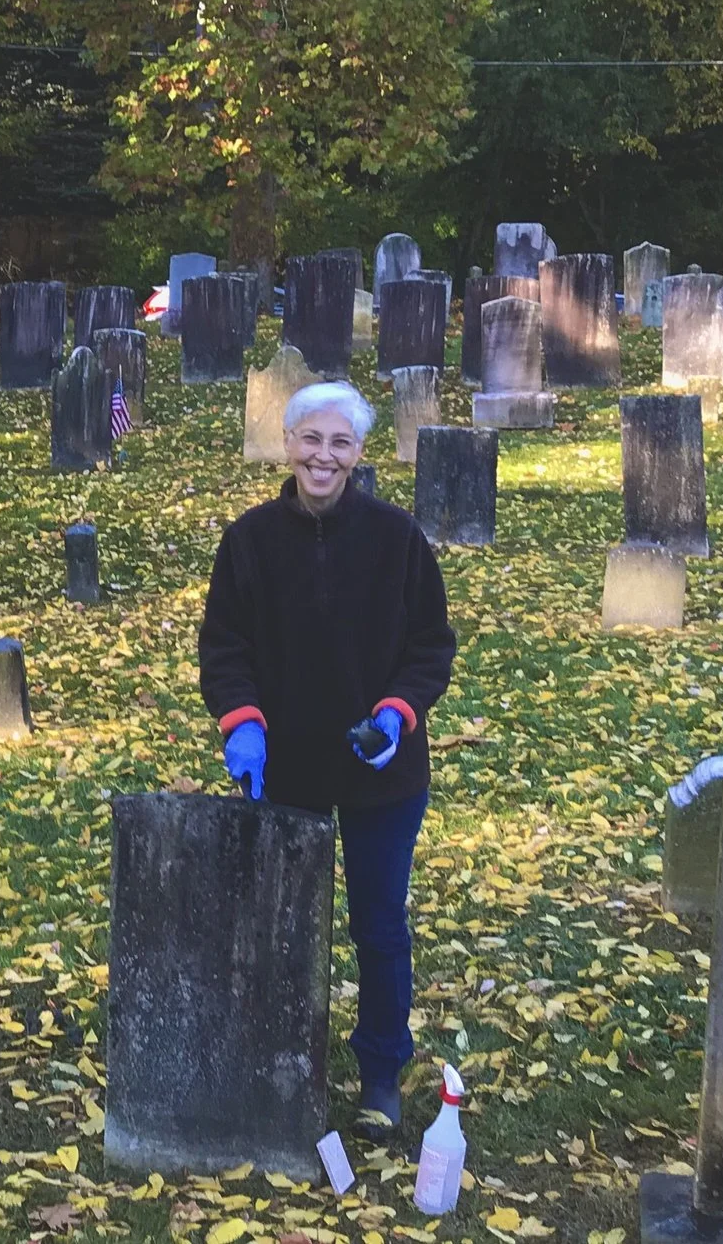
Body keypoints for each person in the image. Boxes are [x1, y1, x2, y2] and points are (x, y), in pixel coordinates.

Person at [199, 381, 456, 1137]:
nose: (323, 455)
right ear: (288, 444)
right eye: (312, 438)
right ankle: (280, 1060)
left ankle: (380, 1073)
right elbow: (225, 649)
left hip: (383, 772)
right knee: (282, 924)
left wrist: (396, 714)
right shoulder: (248, 540)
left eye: (340, 442)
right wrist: (242, 722)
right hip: (286, 769)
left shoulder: (397, 537)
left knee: (378, 926)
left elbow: (429, 646)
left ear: (359, 454)